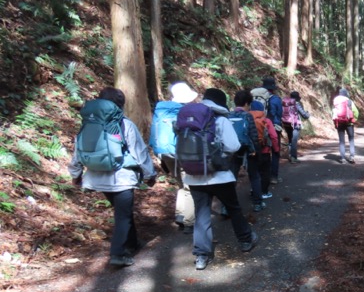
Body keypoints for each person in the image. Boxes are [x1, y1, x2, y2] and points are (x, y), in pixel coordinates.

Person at [69, 87, 156, 268]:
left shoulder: (88, 123)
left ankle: (132, 243)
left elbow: (78, 151)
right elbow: (139, 153)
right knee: (122, 216)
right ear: (121, 105)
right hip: (121, 177)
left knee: (123, 211)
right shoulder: (125, 124)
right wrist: (149, 175)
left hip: (96, 178)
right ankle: (118, 253)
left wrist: (76, 175)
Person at [183, 88, 257, 270]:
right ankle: (245, 240)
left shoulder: (188, 119)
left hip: (194, 176)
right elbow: (233, 146)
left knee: (201, 214)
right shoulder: (220, 119)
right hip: (220, 175)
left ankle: (201, 255)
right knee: (233, 208)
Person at [149, 81, 198, 234]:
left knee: (181, 184)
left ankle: (180, 215)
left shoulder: (161, 111)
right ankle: (189, 222)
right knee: (190, 186)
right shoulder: (183, 112)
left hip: (164, 153)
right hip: (180, 152)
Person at [229, 90, 263, 212]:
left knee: (231, 177)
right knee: (254, 176)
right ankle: (257, 203)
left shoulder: (229, 115)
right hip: (248, 150)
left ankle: (226, 206)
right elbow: (253, 135)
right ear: (247, 103)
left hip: (232, 150)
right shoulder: (247, 116)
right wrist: (257, 151)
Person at [251, 77, 283, 184]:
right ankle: (273, 177)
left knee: (259, 151)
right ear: (273, 88)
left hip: (257, 126)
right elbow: (279, 114)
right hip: (273, 126)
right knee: (275, 152)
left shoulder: (254, 97)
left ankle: (258, 177)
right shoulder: (275, 99)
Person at [249, 100, 279, 202]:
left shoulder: (247, 119)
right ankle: (264, 192)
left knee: (254, 172)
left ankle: (254, 190)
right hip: (265, 150)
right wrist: (276, 149)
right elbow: (274, 137)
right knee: (265, 172)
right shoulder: (267, 120)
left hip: (251, 151)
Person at [281, 90, 310, 164]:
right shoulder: (296, 104)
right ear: (297, 97)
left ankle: (290, 155)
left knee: (290, 139)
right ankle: (293, 157)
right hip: (295, 124)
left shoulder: (286, 103)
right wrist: (308, 114)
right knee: (294, 141)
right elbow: (304, 115)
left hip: (286, 123)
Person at [331, 87, 359, 164]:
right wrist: (354, 120)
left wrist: (335, 122)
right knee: (351, 140)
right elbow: (356, 112)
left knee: (341, 141)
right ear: (346, 94)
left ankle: (343, 158)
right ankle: (352, 157)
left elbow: (333, 113)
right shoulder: (349, 101)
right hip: (349, 123)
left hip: (339, 123)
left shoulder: (335, 101)